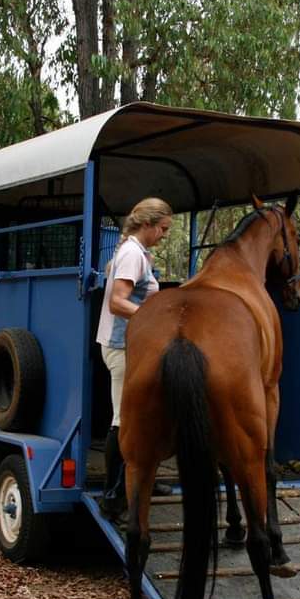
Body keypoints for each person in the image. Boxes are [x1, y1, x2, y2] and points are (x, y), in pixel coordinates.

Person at [95, 197, 174, 517]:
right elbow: (118, 302)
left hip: (134, 346)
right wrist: (152, 317)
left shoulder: (134, 252)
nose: (165, 234)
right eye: (163, 228)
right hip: (122, 347)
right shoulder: (130, 254)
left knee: (144, 417)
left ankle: (141, 478)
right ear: (148, 224)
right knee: (122, 420)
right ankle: (112, 493)